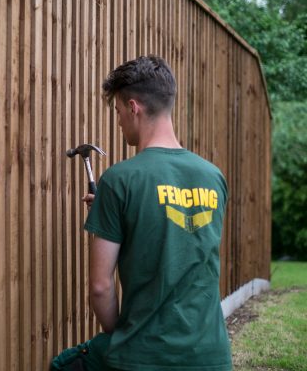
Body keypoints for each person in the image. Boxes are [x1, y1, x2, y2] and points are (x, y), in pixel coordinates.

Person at [51, 55, 232, 370]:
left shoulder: (120, 180)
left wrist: (120, 335)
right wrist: (113, 214)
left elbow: (100, 287)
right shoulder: (214, 177)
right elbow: (182, 237)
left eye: (118, 111)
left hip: (144, 355)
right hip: (211, 356)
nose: (119, 121)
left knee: (62, 365)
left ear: (133, 107)